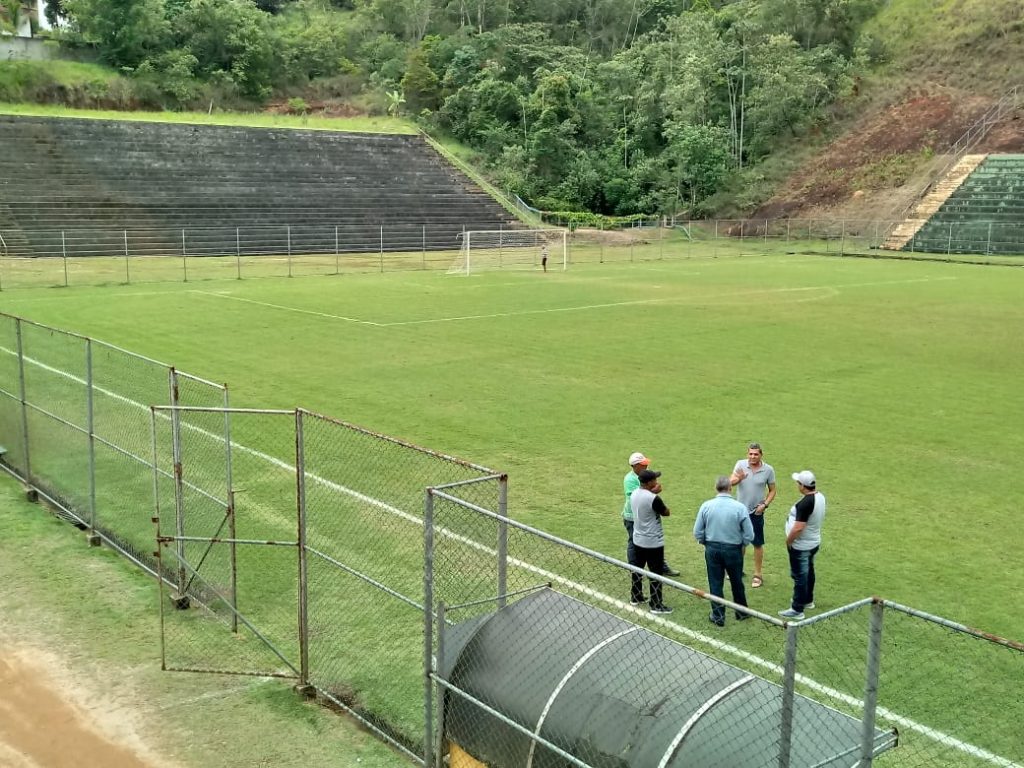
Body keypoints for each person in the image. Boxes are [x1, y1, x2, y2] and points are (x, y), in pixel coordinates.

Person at [694, 476, 755, 626]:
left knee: (715, 583)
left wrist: (705, 542)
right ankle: (741, 612)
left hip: (712, 548)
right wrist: (742, 544)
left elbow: (697, 531)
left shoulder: (706, 506)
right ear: (730, 488)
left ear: (716, 488)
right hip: (733, 549)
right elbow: (749, 534)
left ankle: (718, 616)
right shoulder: (740, 507)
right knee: (736, 581)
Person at [622, 452, 679, 578]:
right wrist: (654, 491)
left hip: (645, 514)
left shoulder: (644, 476)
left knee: (650, 544)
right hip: (633, 516)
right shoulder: (630, 479)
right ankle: (634, 568)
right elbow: (637, 496)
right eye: (643, 464)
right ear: (635, 466)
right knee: (634, 542)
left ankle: (660, 566)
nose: (646, 466)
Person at [779, 470, 826, 620]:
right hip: (813, 542)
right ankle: (808, 600)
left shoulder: (805, 503)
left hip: (801, 546)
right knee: (808, 572)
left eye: (798, 483)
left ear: (803, 486)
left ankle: (797, 609)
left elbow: (798, 527)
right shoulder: (820, 497)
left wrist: (789, 541)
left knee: (800, 576)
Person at [730, 442, 777, 588]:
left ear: (761, 455)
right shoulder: (740, 465)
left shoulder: (768, 470)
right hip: (740, 511)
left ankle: (758, 574)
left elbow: (773, 490)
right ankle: (738, 570)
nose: (753, 456)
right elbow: (730, 482)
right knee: (739, 542)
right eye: (750, 454)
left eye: (756, 454)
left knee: (757, 543)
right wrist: (739, 478)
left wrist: (764, 505)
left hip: (756, 512)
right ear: (747, 454)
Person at [629, 469, 673, 614]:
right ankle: (656, 604)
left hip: (638, 539)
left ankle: (636, 596)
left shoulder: (635, 493)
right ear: (649, 483)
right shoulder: (653, 498)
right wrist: (655, 494)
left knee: (637, 569)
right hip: (653, 542)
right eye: (654, 479)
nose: (657, 481)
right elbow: (666, 512)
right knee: (656, 573)